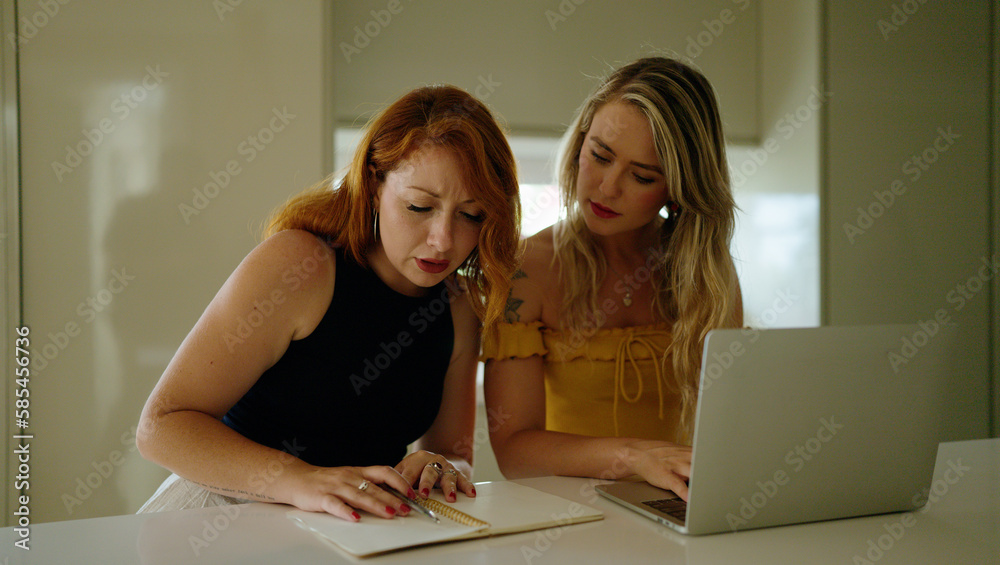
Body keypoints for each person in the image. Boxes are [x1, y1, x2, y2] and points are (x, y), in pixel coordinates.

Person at [136, 85, 521, 522]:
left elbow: (453, 455)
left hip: (355, 526)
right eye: (419, 206)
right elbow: (161, 428)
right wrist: (299, 480)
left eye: (471, 215)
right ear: (374, 183)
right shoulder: (302, 264)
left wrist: (437, 467)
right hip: (224, 514)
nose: (443, 240)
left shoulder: (460, 304)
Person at [482, 57, 742, 501]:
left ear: (678, 188)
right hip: (572, 516)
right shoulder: (527, 268)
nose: (606, 188)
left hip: (681, 507)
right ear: (580, 141)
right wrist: (636, 458)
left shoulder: (706, 276)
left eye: (642, 176)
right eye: (600, 156)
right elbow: (515, 452)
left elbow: (733, 426)